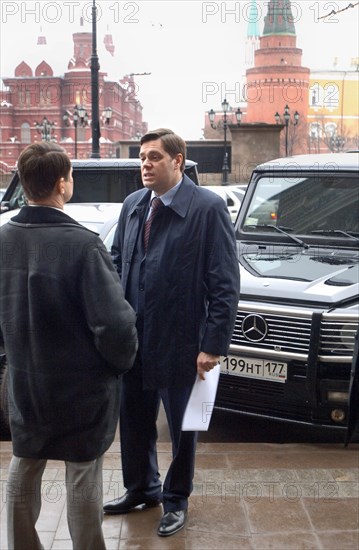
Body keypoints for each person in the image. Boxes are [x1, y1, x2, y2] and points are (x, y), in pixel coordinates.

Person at [0, 142, 138, 550]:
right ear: (62, 184)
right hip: (81, 388)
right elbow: (114, 324)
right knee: (82, 476)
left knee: (24, 465)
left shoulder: (3, 238)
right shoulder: (83, 244)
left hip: (25, 381)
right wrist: (119, 365)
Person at [104, 128, 240, 536]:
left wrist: (213, 344)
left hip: (183, 342)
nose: (145, 164)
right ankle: (141, 487)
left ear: (178, 161)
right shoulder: (132, 205)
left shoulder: (207, 208)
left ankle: (176, 499)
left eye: (155, 157)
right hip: (135, 338)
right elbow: (115, 262)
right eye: (142, 158)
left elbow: (224, 284)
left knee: (183, 427)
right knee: (134, 419)